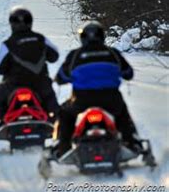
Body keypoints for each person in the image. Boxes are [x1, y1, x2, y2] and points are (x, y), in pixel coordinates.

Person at [54, 21, 140, 157]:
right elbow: (128, 73)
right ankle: (130, 143)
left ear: (83, 38)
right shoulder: (113, 53)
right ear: (102, 36)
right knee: (122, 113)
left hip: (82, 100)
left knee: (65, 114)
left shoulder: (75, 55)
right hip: (111, 99)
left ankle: (63, 149)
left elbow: (61, 77)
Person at [0, 7, 60, 133]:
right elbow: (54, 56)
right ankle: (57, 123)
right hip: (40, 84)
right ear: (30, 22)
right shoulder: (40, 39)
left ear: (11, 24)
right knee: (50, 97)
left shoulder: (8, 44)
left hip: (14, 85)